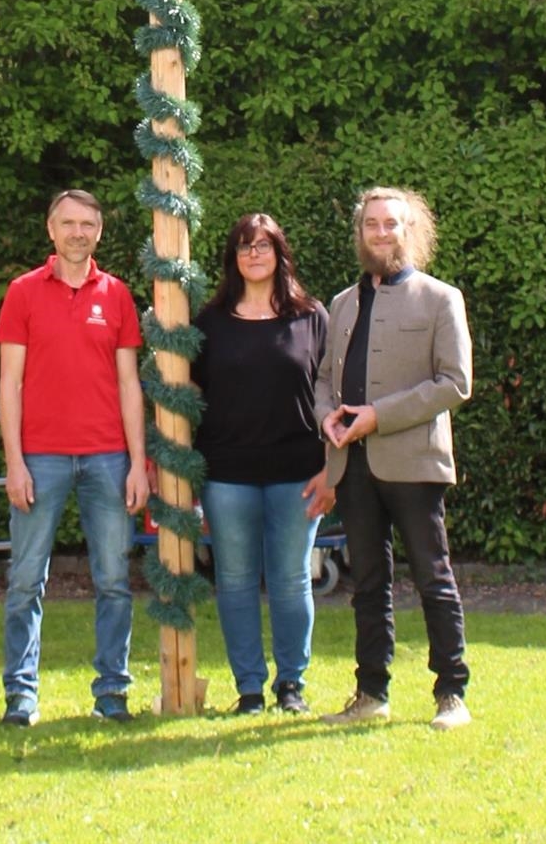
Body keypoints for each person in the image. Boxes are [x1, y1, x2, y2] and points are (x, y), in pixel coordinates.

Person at [312, 186, 472, 729]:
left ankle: (452, 693)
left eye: (392, 224)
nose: (381, 233)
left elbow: (455, 384)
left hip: (415, 465)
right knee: (368, 584)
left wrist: (379, 414)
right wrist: (326, 415)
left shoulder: (440, 298)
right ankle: (371, 693)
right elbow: (324, 380)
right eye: (371, 224)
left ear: (411, 231)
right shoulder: (341, 304)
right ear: (360, 233)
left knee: (434, 577)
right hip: (353, 466)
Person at [0, 188, 149, 726]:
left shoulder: (118, 295)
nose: (78, 232)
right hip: (40, 458)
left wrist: (137, 462)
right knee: (24, 582)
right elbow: (8, 384)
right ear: (51, 229)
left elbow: (130, 384)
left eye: (87, 224)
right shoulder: (22, 293)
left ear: (99, 232)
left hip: (108, 456)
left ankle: (112, 695)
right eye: (68, 223)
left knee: (113, 581)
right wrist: (14, 462)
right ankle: (21, 697)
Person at [193, 211, 332, 716]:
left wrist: (330, 470)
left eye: (264, 245)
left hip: (299, 471)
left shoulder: (311, 316)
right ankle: (249, 688)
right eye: (244, 246)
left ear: (280, 254)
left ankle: (291, 685)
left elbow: (333, 395)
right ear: (233, 257)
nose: (254, 254)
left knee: (293, 580)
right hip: (227, 472)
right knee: (234, 580)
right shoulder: (208, 322)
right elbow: (189, 393)